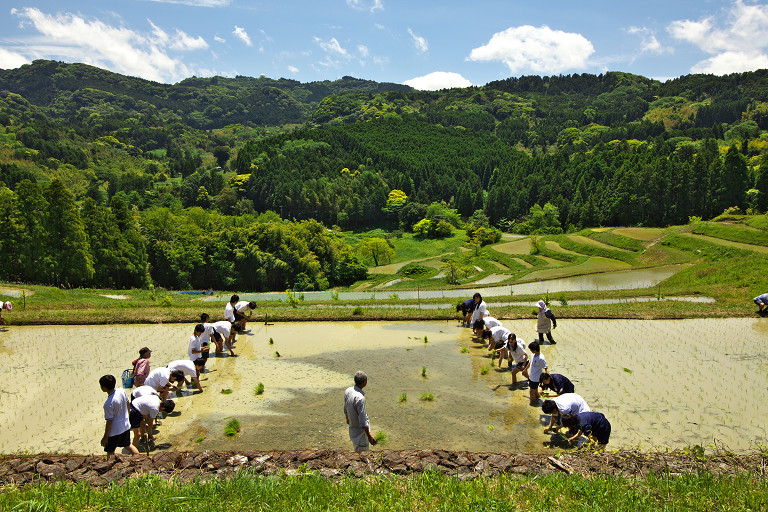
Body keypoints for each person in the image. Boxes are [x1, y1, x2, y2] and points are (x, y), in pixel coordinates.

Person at [100, 374, 138, 458]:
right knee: (128, 446)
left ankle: (110, 467)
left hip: (115, 431)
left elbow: (109, 421)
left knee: (110, 451)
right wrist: (127, 417)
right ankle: (141, 459)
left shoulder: (108, 404)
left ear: (104, 388)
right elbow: (128, 403)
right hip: (126, 426)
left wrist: (105, 437)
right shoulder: (121, 391)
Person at [343, 370, 378, 452]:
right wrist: (369, 436)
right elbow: (363, 421)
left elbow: (345, 409)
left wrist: (348, 420)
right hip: (360, 434)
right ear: (364, 382)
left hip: (352, 430)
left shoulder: (348, 390)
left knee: (356, 450)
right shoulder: (360, 398)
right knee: (363, 456)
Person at [528, 341, 548, 406]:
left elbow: (546, 367)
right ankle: (538, 398)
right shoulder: (533, 355)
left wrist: (548, 378)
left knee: (531, 391)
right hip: (531, 376)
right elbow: (530, 363)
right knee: (535, 390)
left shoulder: (541, 358)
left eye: (531, 349)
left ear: (535, 350)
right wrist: (525, 370)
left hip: (536, 378)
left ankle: (532, 404)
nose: (530, 350)